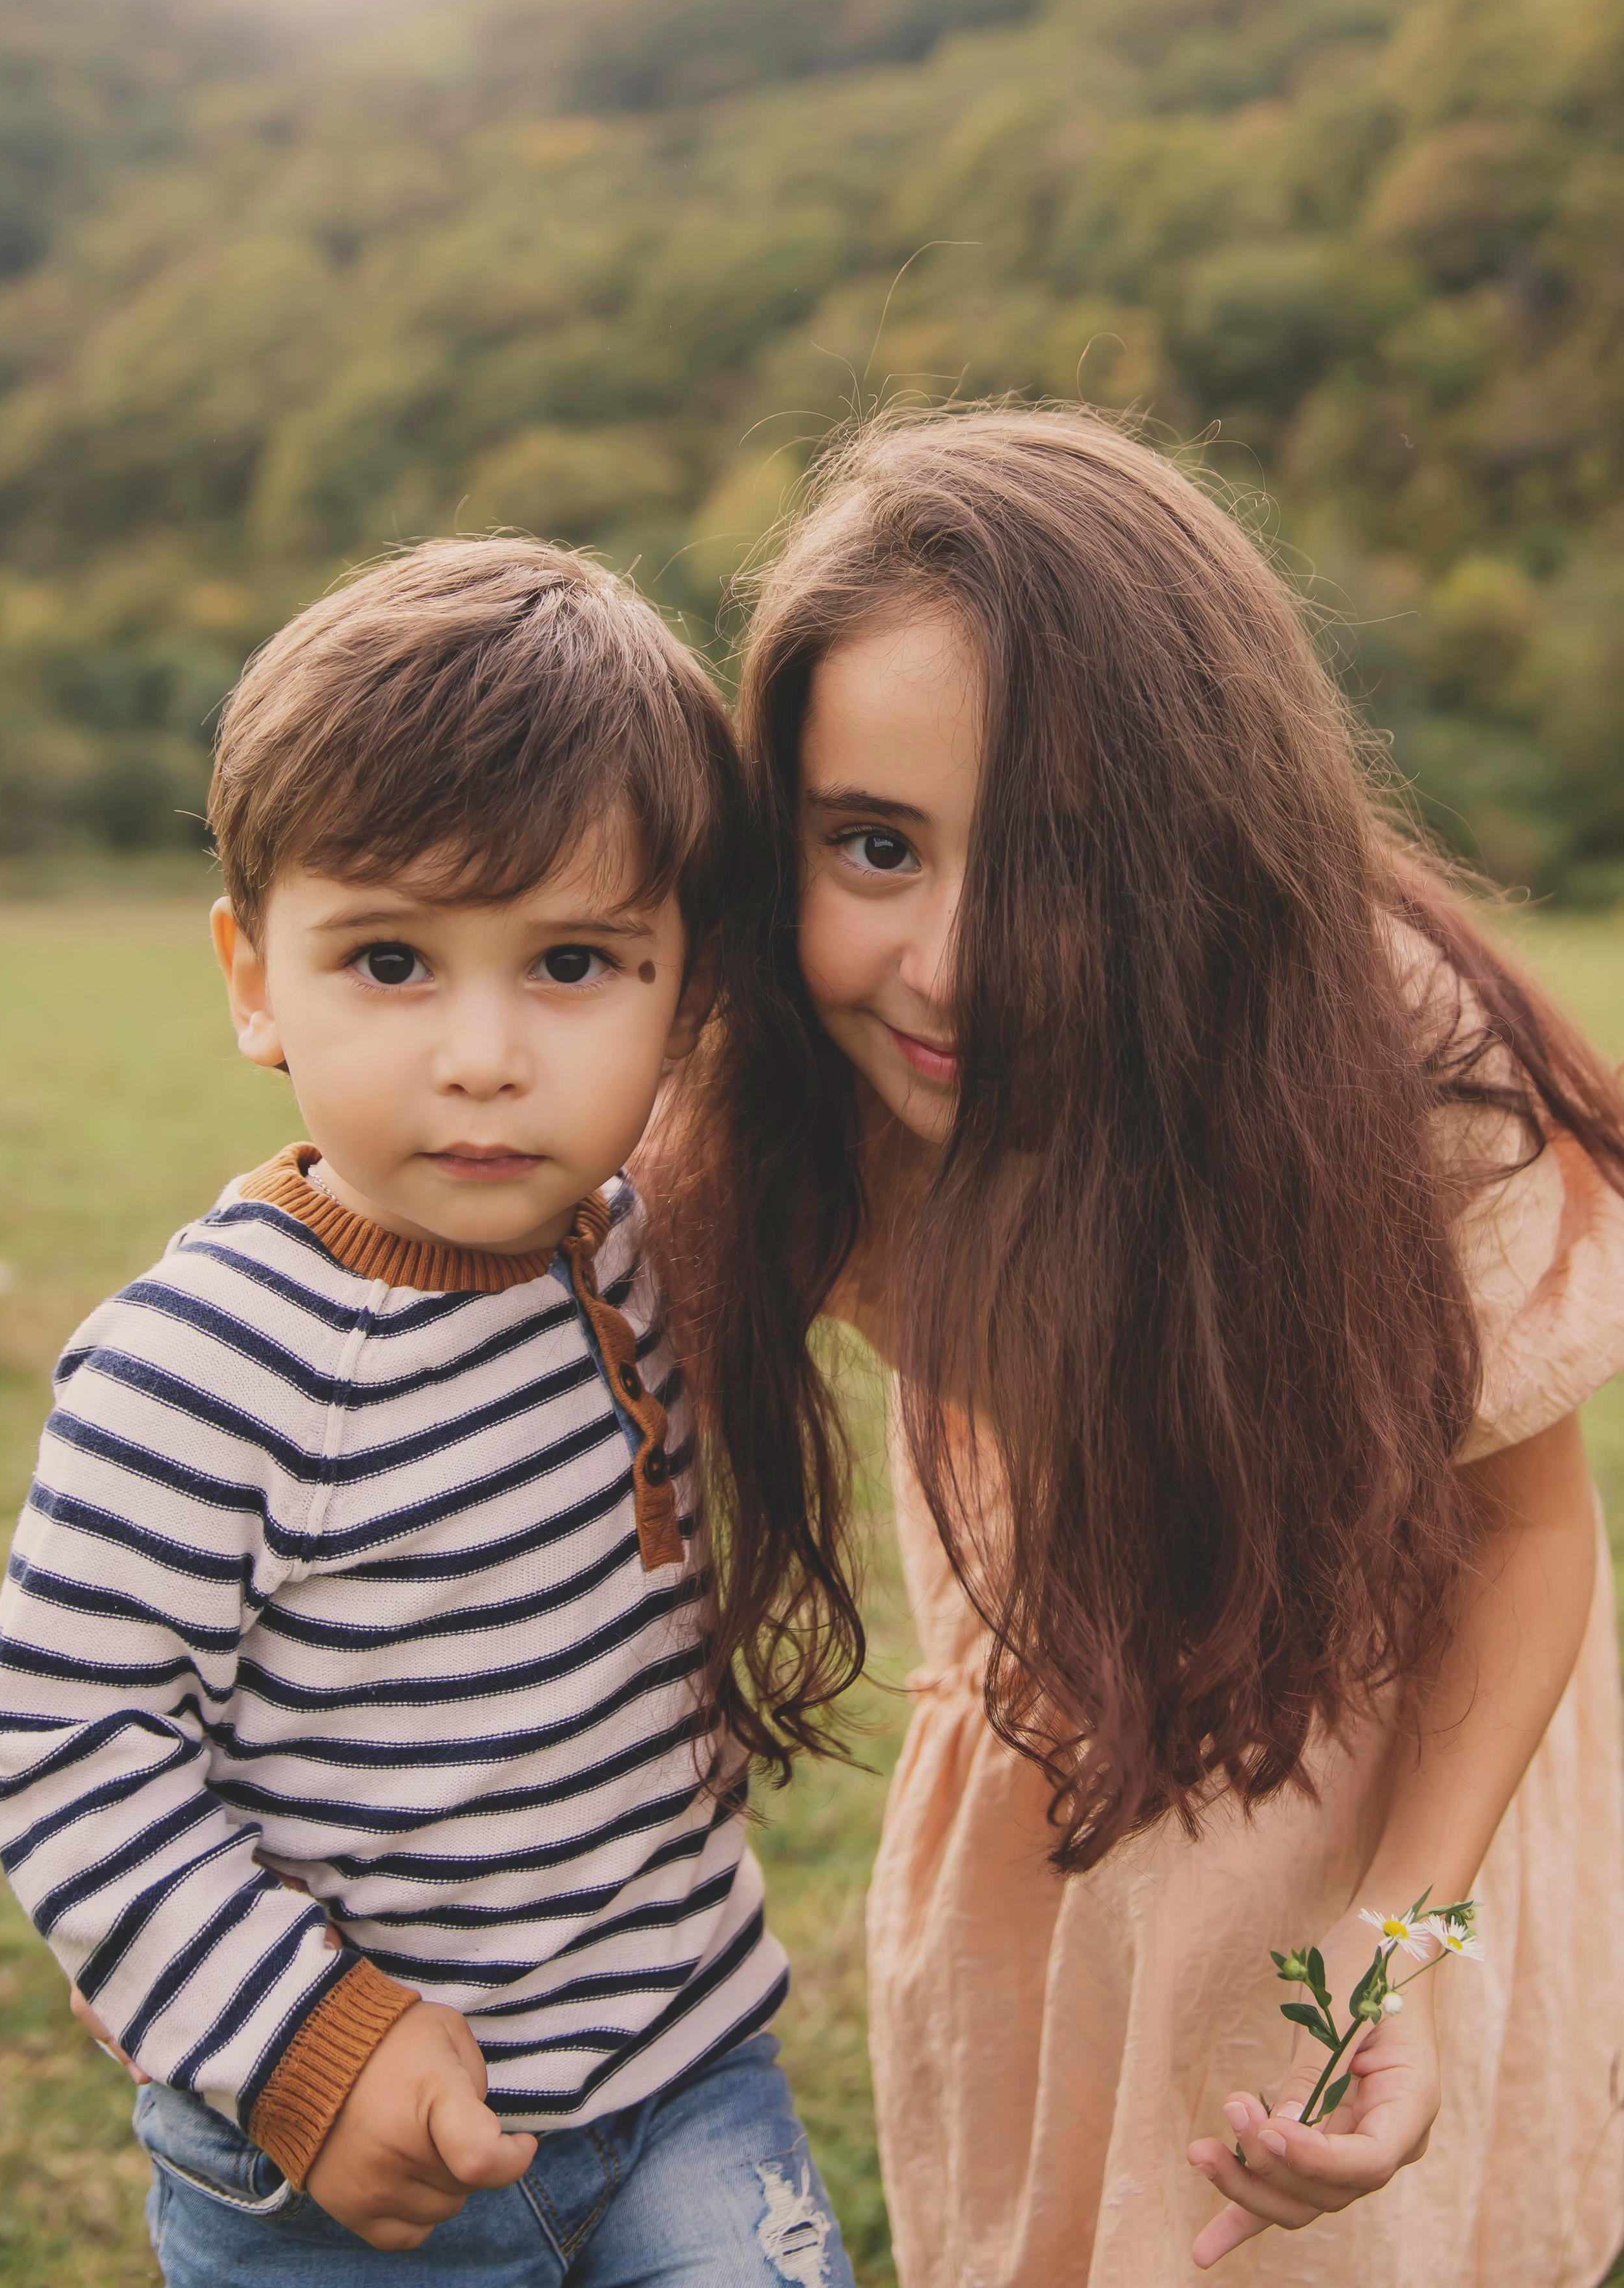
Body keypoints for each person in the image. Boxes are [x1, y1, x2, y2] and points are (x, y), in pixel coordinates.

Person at [656, 406, 1624, 2286]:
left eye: (1057, 859)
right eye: (874, 846)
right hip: (1055, 1833)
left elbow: (1523, 1538)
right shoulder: (796, 1079)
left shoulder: (1404, 1080)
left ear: (1208, 836)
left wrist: (1396, 1947)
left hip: (1383, 1827)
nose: (952, 963)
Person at [0, 539, 859, 2288]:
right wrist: (307, 2045)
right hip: (336, 2169)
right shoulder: (199, 1365)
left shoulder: (652, 1252)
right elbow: (70, 1742)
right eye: (390, 961)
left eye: (575, 963)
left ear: (687, 990)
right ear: (252, 977)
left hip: (690, 2072)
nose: (481, 1053)